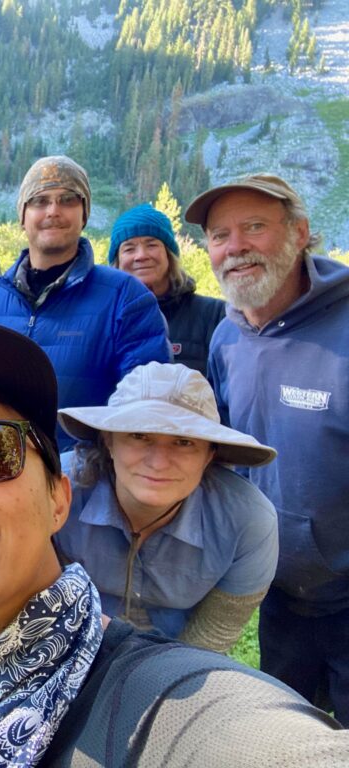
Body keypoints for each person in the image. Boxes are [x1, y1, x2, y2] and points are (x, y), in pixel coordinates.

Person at [0, 318, 347, 767]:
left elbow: (220, 671)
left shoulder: (249, 521)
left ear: (55, 503)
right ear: (107, 443)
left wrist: (145, 690)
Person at [188, 173, 349, 724]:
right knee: (292, 737)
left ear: (300, 233)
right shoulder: (226, 338)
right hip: (280, 599)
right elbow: (230, 460)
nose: (235, 248)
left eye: (254, 227)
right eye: (219, 235)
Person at [55, 361, 278, 652]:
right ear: (108, 441)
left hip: (176, 656)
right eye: (138, 435)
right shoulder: (54, 491)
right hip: (66, 640)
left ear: (210, 455)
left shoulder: (248, 521)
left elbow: (214, 632)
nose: (158, 463)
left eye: (184, 442)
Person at [0, 155, 170, 449]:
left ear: (84, 213)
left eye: (68, 200)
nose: (54, 211)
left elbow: (147, 407)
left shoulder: (125, 297)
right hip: (1, 474)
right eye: (40, 201)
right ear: (23, 216)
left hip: (82, 482)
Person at [108, 203, 225, 375]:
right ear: (117, 261)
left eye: (151, 245)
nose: (141, 255)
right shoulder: (104, 319)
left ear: (169, 255)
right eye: (129, 248)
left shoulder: (214, 315)